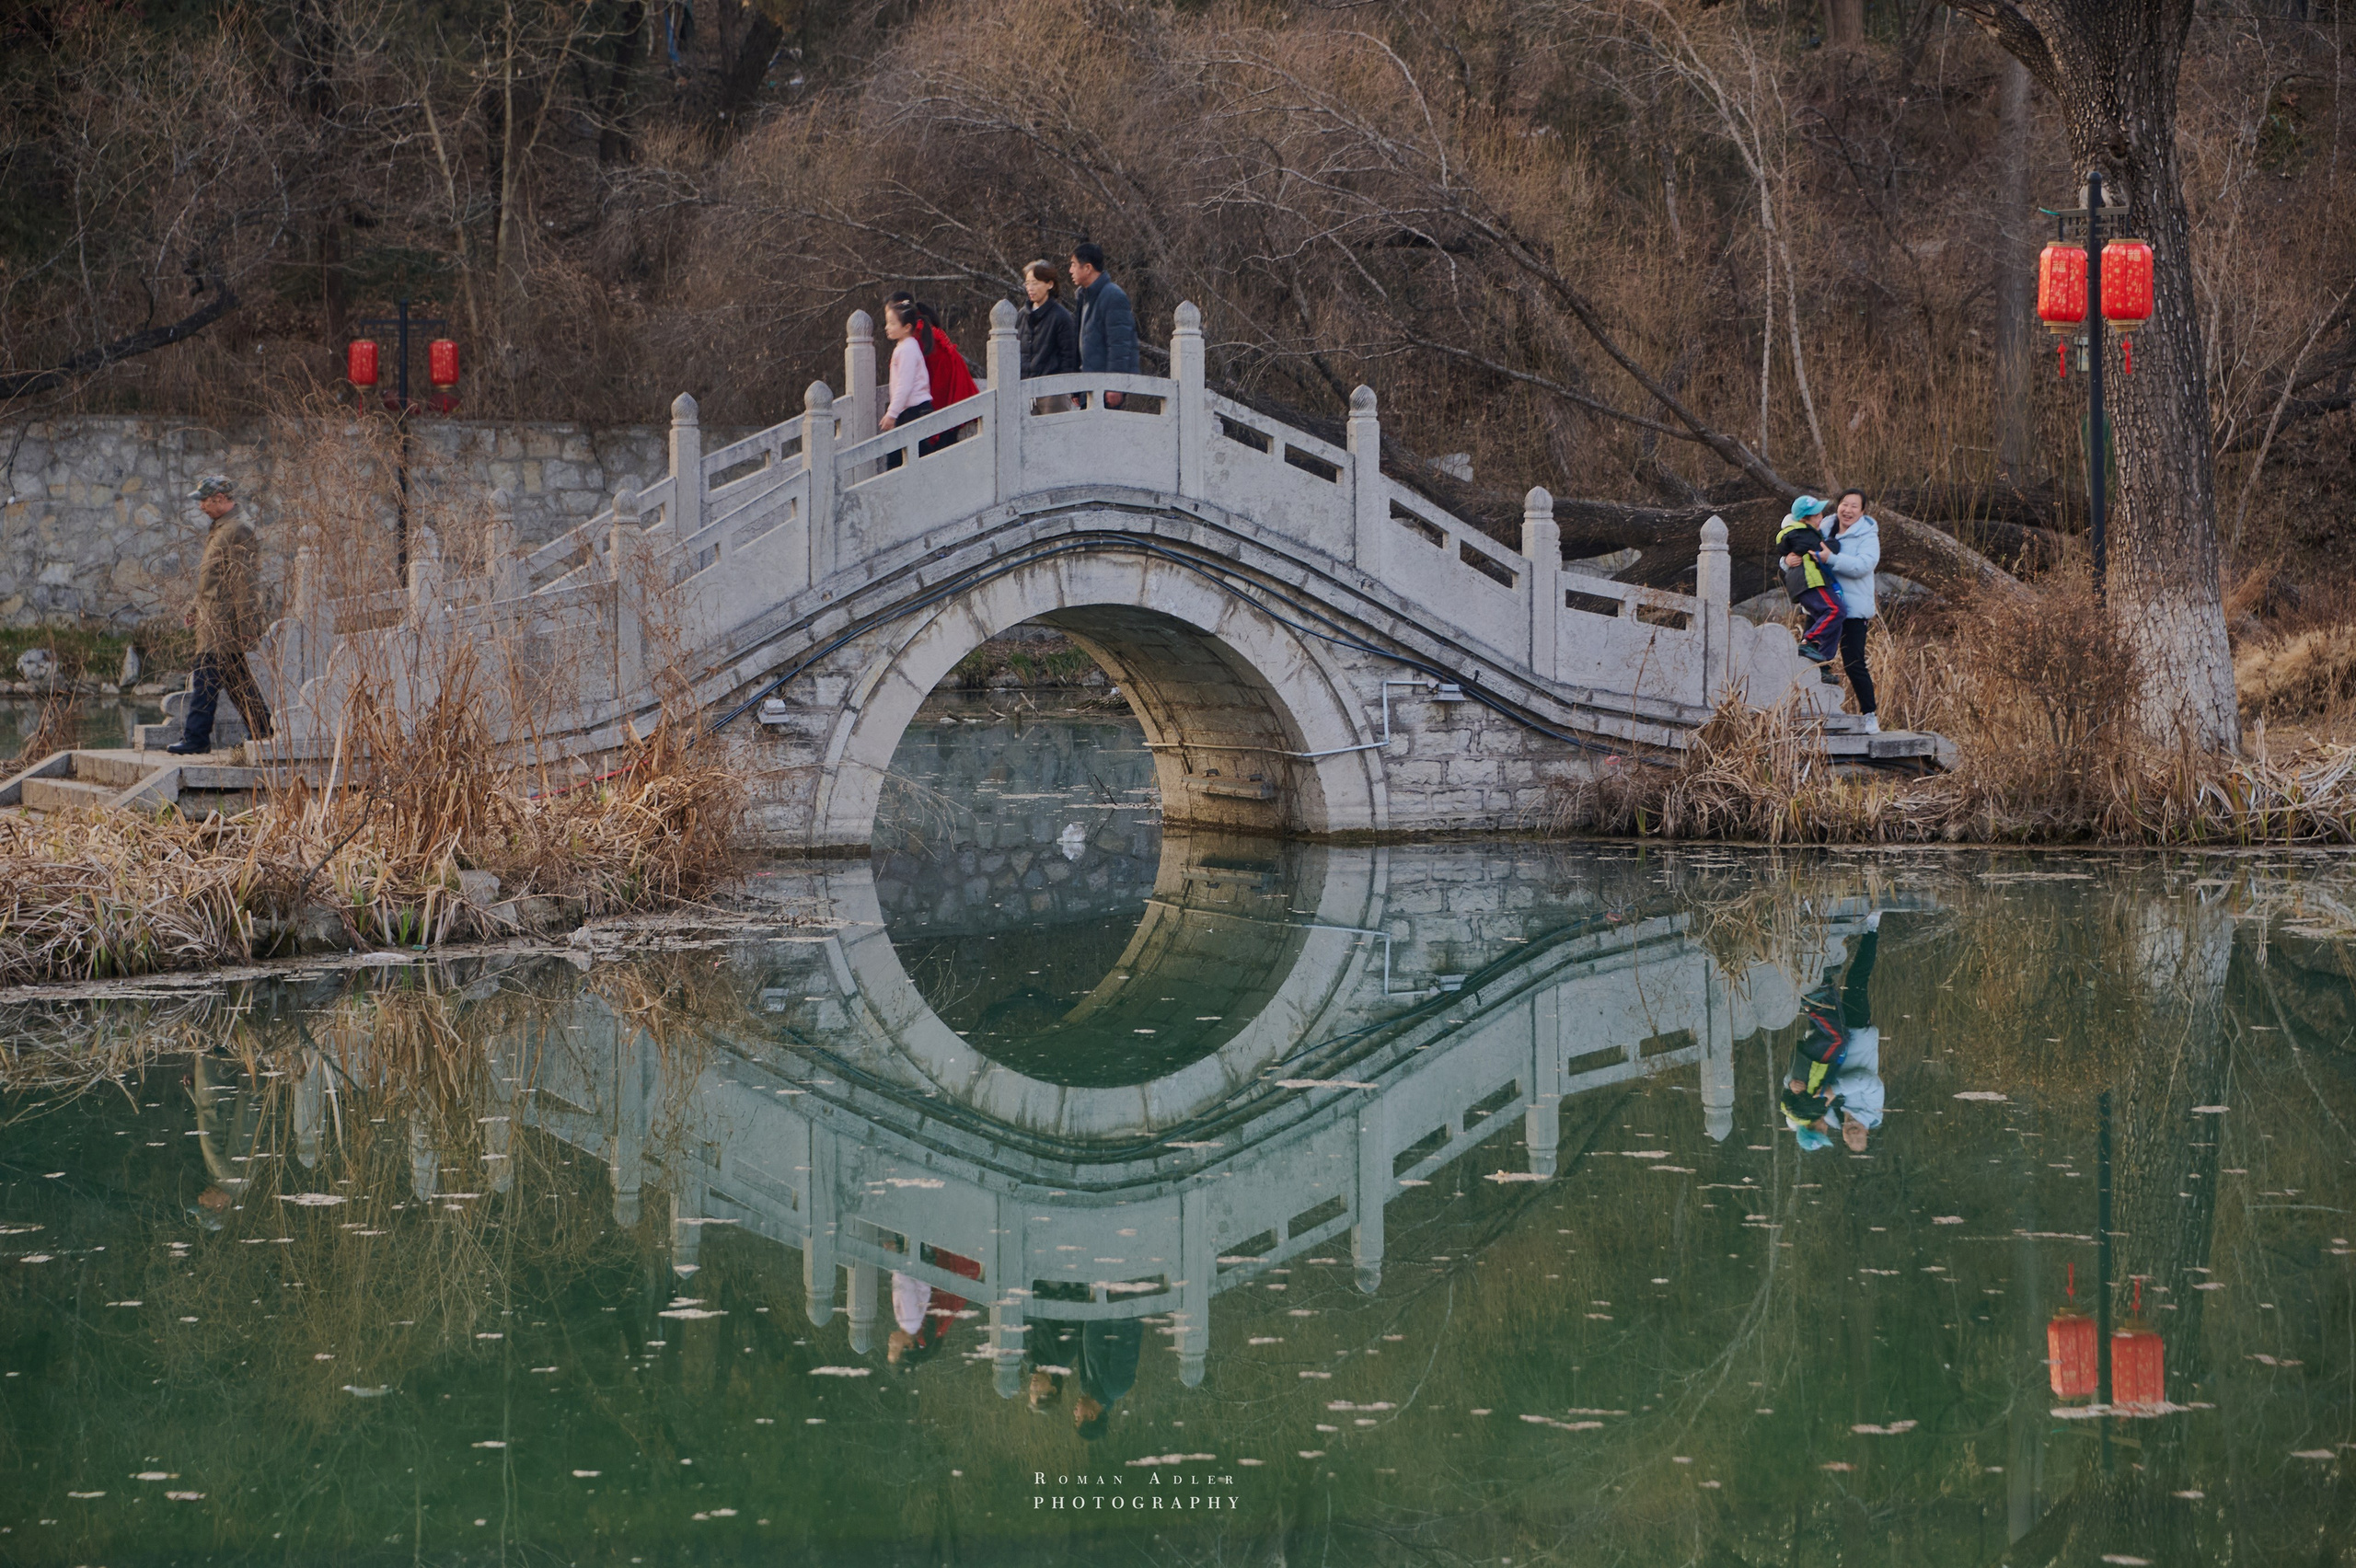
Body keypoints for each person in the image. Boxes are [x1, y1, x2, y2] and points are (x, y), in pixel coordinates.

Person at [167, 475, 272, 755]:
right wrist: (194, 608)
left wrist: (247, 624)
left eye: (204, 500)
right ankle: (263, 732)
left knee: (206, 679)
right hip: (211, 619)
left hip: (223, 623)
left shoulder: (238, 530)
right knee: (236, 680)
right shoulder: (221, 528)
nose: (200, 506)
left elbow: (244, 582)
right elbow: (213, 578)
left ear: (220, 499)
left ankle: (196, 738)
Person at [1780, 915, 1884, 1153]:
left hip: (1826, 1045)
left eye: (1850, 1136)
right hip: (1857, 1036)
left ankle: (1820, 939)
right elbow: (1869, 1080)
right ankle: (1871, 929)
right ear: (1867, 1132)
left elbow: (1798, 1100)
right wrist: (1833, 1091)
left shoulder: (1829, 1119)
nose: (1851, 1131)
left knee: (1822, 994)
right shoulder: (1873, 1109)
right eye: (1857, 1135)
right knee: (1856, 981)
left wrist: (1792, 1087)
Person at [1819, 488, 1883, 734]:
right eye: (1844, 504)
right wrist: (1787, 560)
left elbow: (1863, 565)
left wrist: (1830, 559)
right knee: (1813, 660)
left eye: (1854, 506)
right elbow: (1799, 547)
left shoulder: (1867, 535)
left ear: (1863, 511)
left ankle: (1869, 715)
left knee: (1854, 662)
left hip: (1853, 610)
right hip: (1822, 606)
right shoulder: (1823, 527)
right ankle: (1810, 714)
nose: (1848, 510)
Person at [1025, 1310, 1143, 1442]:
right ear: (1092, 1415)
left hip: (1096, 1302)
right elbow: (1126, 1334)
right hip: (1113, 1300)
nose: (1074, 1412)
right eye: (1078, 1417)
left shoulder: (1086, 1384)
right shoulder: (1117, 1386)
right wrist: (1111, 1302)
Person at [1774, 495, 1844, 674]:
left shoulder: (1802, 532)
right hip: (1809, 582)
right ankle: (1808, 641)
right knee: (1836, 610)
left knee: (1835, 621)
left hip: (1809, 581)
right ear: (1804, 519)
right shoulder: (1801, 532)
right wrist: (1833, 544)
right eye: (1817, 515)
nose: (1821, 517)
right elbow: (1823, 549)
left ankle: (1822, 667)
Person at [1067, 242, 1138, 409]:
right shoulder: (1083, 297)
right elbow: (1079, 345)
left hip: (1105, 391)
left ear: (1088, 268)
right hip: (1087, 387)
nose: (1070, 270)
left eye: (1074, 265)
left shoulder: (1113, 296)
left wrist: (1115, 385)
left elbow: (1120, 344)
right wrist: (1076, 389)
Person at [1018, 259, 1080, 410]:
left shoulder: (1061, 317)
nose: (1030, 288)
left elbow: (1069, 357)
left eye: (1035, 283)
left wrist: (1068, 389)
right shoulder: (1021, 316)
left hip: (1052, 392)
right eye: (1027, 283)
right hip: (1023, 390)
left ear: (1050, 284)